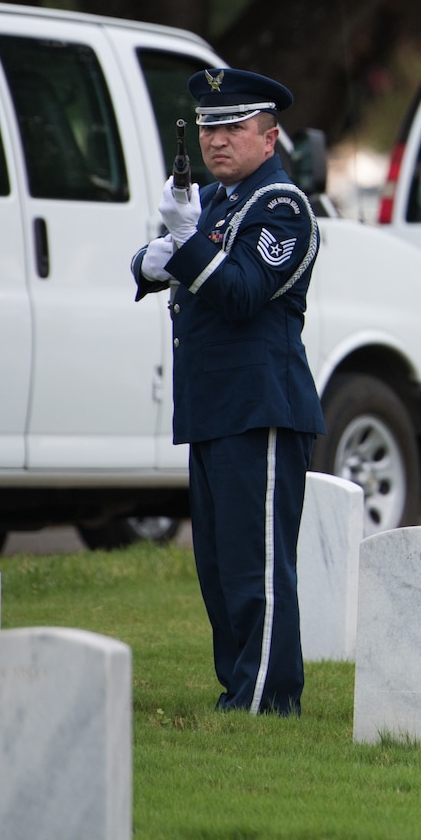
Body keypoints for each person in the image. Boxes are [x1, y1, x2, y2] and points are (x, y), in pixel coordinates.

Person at [131, 67, 323, 715]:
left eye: (234, 127)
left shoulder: (281, 206)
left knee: (256, 565)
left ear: (269, 139)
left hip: (260, 406)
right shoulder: (214, 201)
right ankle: (237, 686)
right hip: (213, 407)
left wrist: (183, 247)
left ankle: (268, 696)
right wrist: (151, 259)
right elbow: (169, 260)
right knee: (216, 566)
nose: (217, 140)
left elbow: (241, 292)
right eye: (209, 127)